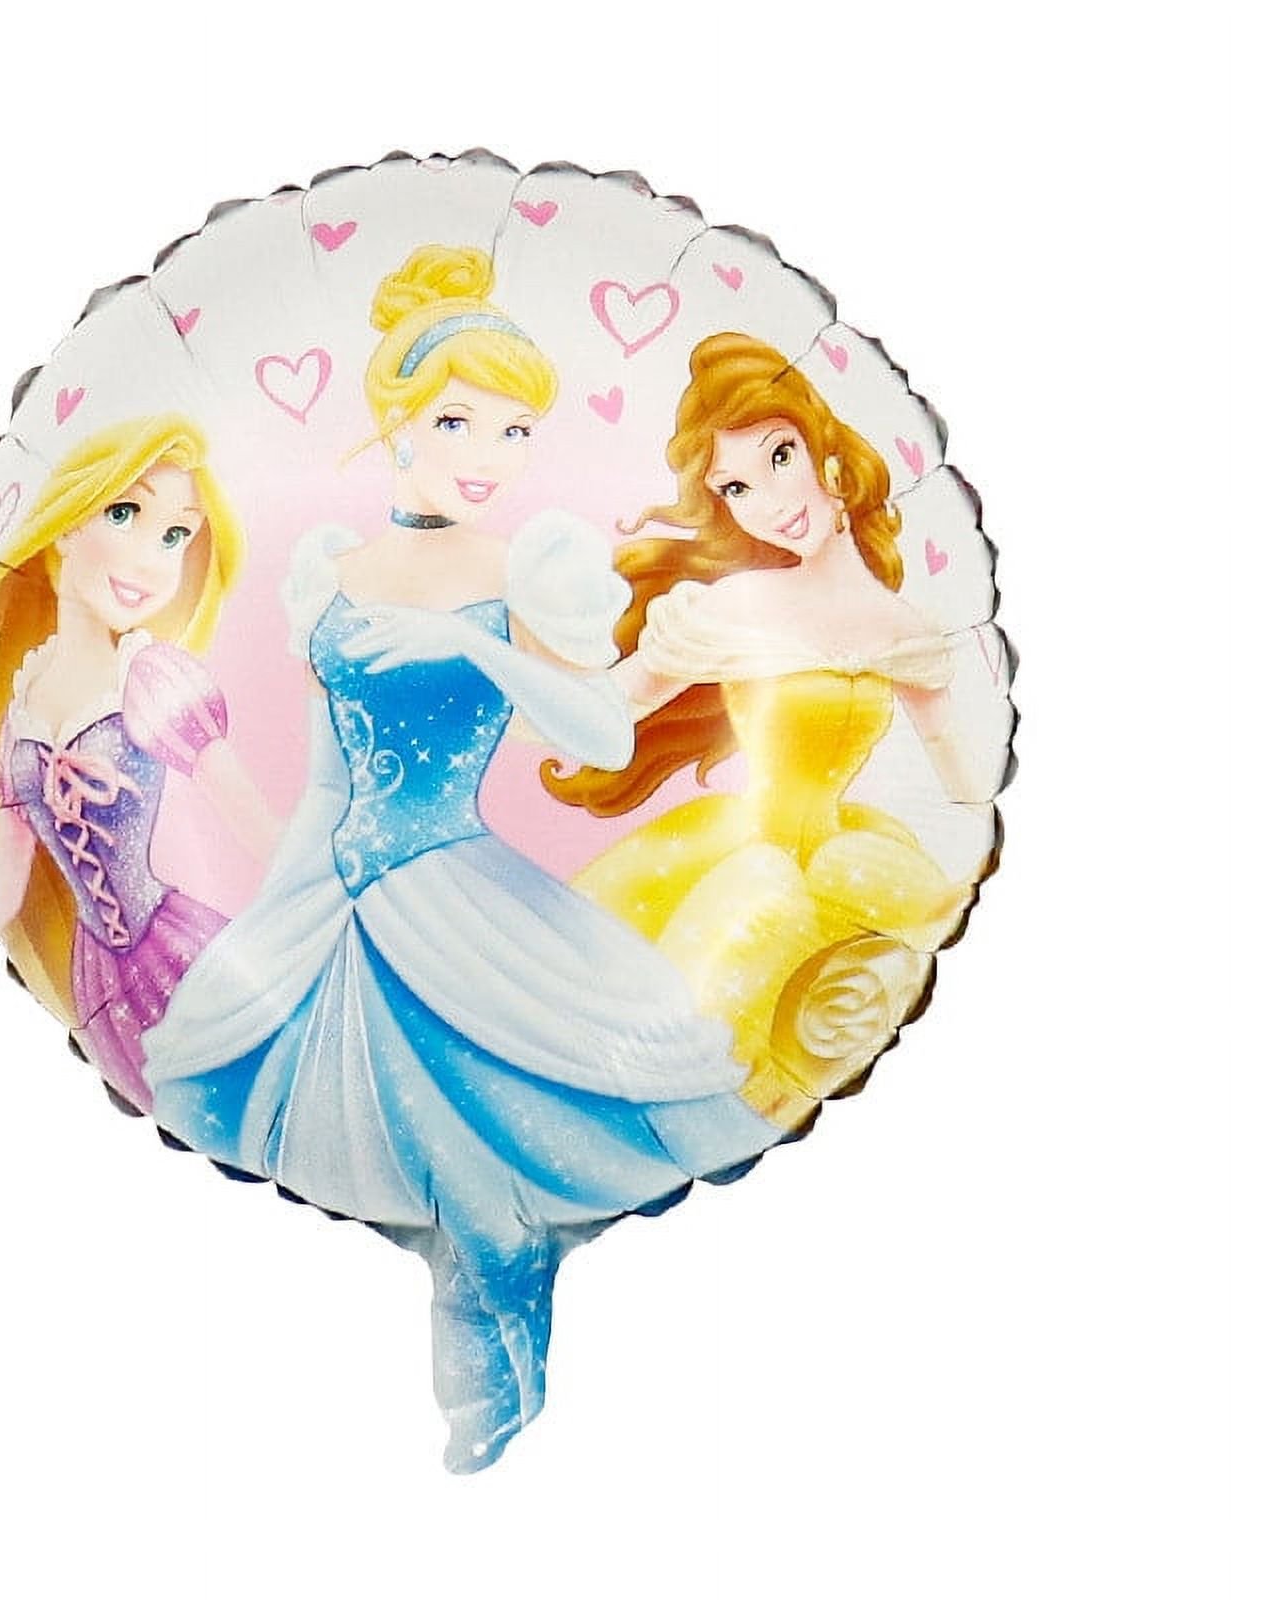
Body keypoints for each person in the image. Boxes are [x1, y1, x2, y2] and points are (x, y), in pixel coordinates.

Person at [142, 248, 781, 1472]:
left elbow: (598, 732)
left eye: (514, 430)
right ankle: (483, 1358)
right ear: (396, 420)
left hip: (456, 888)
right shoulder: (329, 568)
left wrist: (479, 649)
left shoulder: (519, 567)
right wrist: (283, 907)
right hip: (336, 897)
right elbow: (328, 776)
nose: (488, 453)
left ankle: (503, 1355)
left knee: (494, 1156)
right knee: (387, 1153)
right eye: (456, 421)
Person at [547, 333, 980, 1131]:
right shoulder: (737, 606)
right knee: (707, 1001)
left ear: (826, 451)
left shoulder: (906, 629)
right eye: (737, 487)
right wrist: (511, 677)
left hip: (854, 861)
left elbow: (964, 779)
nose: (771, 502)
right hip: (745, 857)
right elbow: (608, 709)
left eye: (780, 456)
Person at [0, 415, 275, 1112]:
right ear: (65, 525)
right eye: (125, 514)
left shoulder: (151, 679)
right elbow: (7, 874)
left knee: (234, 1098)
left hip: (181, 952)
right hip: (96, 981)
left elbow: (257, 829)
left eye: (175, 536)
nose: (151, 561)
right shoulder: (20, 704)